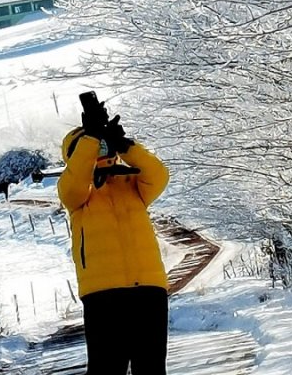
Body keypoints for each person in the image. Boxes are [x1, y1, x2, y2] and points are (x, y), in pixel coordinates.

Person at [58, 94, 170, 375]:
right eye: (90, 147)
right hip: (103, 293)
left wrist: (127, 147)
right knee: (107, 369)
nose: (99, 152)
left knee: (152, 369)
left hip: (148, 287)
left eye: (102, 145)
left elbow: (159, 175)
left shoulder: (133, 184)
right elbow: (74, 183)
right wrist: (91, 137)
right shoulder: (76, 193)